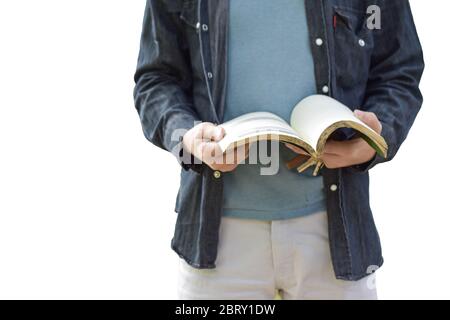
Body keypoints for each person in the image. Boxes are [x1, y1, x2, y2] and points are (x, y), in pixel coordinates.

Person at [133, 0, 424, 300]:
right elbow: (155, 80)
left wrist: (376, 141)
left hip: (337, 237)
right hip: (216, 242)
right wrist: (186, 138)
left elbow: (399, 71)